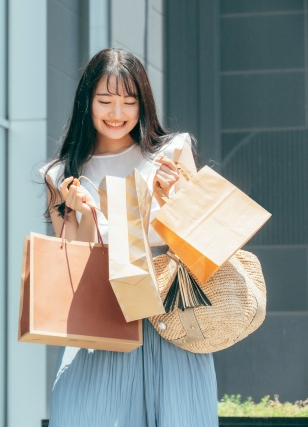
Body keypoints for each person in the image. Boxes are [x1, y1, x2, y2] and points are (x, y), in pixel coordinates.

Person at [40, 48, 218, 427]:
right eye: (105, 100)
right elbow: (74, 271)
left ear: (143, 105)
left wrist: (175, 201)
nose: (117, 113)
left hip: (171, 321)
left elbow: (203, 250)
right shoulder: (62, 174)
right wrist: (82, 214)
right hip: (101, 327)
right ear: (87, 102)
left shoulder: (171, 152)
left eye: (129, 102)